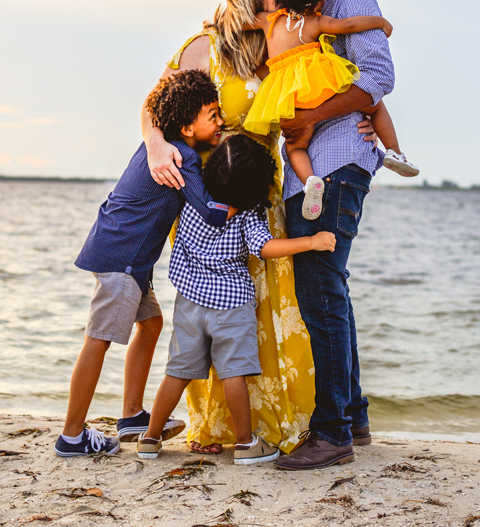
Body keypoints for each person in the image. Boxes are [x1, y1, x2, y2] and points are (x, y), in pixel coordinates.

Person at [142, 0, 317, 455]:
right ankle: (219, 427)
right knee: (208, 306)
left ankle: (268, 423)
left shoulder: (281, 42)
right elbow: (155, 104)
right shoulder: (203, 48)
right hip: (208, 196)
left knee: (263, 312)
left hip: (260, 193)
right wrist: (156, 147)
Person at [55, 70, 230, 457]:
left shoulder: (161, 144)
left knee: (150, 324)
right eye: (213, 115)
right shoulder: (181, 156)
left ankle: (132, 415)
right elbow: (213, 212)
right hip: (123, 257)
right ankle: (71, 436)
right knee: (97, 341)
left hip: (127, 256)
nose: (221, 122)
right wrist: (248, 194)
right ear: (187, 126)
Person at [272, 0, 394, 471]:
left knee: (320, 286)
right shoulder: (296, 14)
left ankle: (332, 433)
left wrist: (308, 120)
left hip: (339, 162)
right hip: (309, 172)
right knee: (329, 289)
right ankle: (355, 418)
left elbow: (378, 76)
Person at [136, 135, 336, 465]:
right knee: (234, 373)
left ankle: (150, 438)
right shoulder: (247, 216)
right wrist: (310, 241)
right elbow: (266, 248)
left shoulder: (192, 201)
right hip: (232, 306)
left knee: (177, 372)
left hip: (189, 303)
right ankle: (245, 444)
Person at [242, 0, 416, 220]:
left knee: (295, 147)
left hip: (288, 95)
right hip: (319, 83)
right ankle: (395, 151)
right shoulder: (316, 22)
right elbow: (349, 26)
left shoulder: (269, 21)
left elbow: (242, 21)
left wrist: (220, 21)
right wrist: (381, 22)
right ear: (319, 1)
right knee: (375, 104)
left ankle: (310, 179)